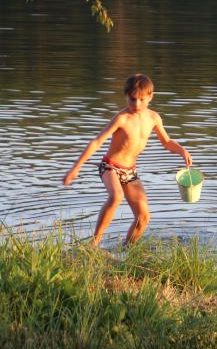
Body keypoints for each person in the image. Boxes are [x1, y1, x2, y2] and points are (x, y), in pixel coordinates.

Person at [62, 74, 192, 247]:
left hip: (130, 171)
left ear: (150, 97)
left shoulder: (153, 118)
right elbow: (97, 141)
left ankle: (127, 249)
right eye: (132, 99)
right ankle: (94, 243)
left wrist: (181, 150)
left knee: (144, 217)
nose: (136, 104)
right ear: (125, 96)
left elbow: (167, 142)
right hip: (110, 166)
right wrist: (75, 168)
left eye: (141, 99)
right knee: (116, 196)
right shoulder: (121, 118)